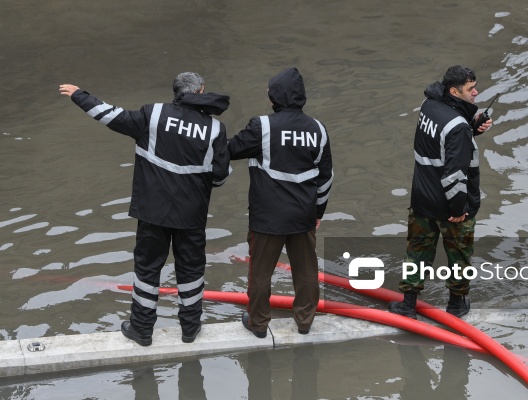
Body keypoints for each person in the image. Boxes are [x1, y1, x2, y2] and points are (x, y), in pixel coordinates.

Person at [59, 72, 230, 346]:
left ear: (175, 92)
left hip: (153, 214)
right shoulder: (214, 129)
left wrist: (80, 95)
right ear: (199, 92)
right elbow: (220, 177)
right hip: (191, 217)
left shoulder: (153, 115)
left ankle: (141, 330)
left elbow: (111, 116)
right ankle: (190, 328)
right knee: (191, 273)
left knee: (147, 272)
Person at [228, 67, 333, 338]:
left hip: (268, 217)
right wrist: (318, 211)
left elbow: (228, 150)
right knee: (307, 272)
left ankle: (258, 323)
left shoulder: (261, 126)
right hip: (303, 215)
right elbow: (326, 178)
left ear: (276, 96)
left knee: (260, 274)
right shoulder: (318, 129)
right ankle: (305, 322)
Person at [389, 65, 492, 319]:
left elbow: (441, 144)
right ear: (454, 91)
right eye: (471, 89)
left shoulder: (428, 105)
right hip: (450, 207)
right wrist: (458, 211)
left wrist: (472, 127)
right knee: (459, 256)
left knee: (417, 251)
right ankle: (457, 305)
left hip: (422, 199)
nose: (476, 92)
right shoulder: (457, 127)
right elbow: (455, 174)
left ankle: (408, 305)